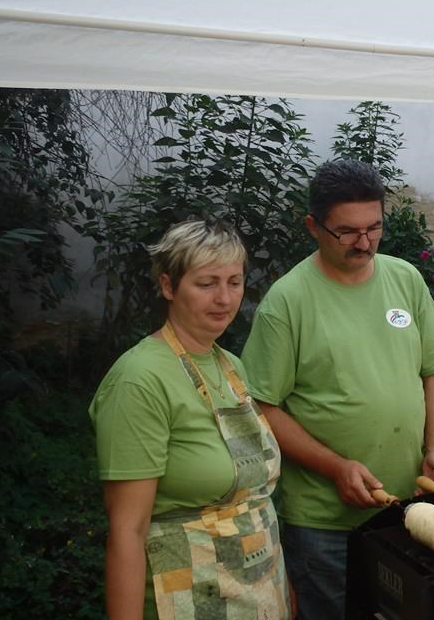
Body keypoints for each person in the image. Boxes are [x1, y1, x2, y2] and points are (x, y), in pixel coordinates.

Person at [241, 159, 434, 620]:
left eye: (374, 228)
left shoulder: (404, 278)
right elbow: (262, 407)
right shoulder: (288, 301)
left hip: (409, 507)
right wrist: (336, 466)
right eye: (347, 231)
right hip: (324, 523)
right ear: (312, 226)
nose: (364, 243)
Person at [89, 219, 291, 620]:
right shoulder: (140, 380)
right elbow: (127, 531)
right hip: (185, 595)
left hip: (259, 592)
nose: (224, 298)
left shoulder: (230, 365)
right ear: (168, 286)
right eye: (206, 283)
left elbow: (253, 501)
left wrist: (281, 587)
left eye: (234, 282)